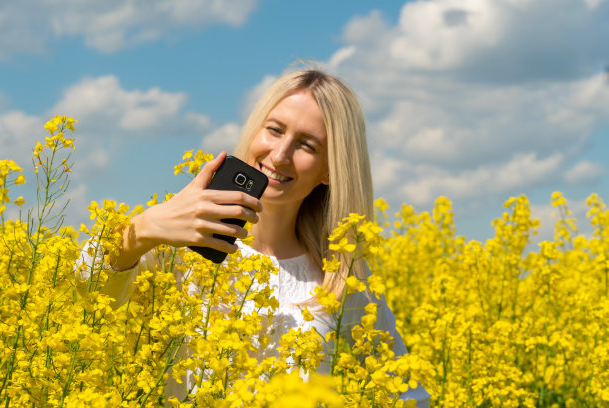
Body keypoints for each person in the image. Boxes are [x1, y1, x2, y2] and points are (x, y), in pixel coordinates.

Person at [77, 66, 431, 406]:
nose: (279, 155)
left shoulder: (344, 283)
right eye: (274, 130)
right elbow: (81, 290)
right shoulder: (175, 252)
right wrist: (147, 227)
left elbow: (410, 399)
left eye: (307, 145)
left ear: (329, 169)